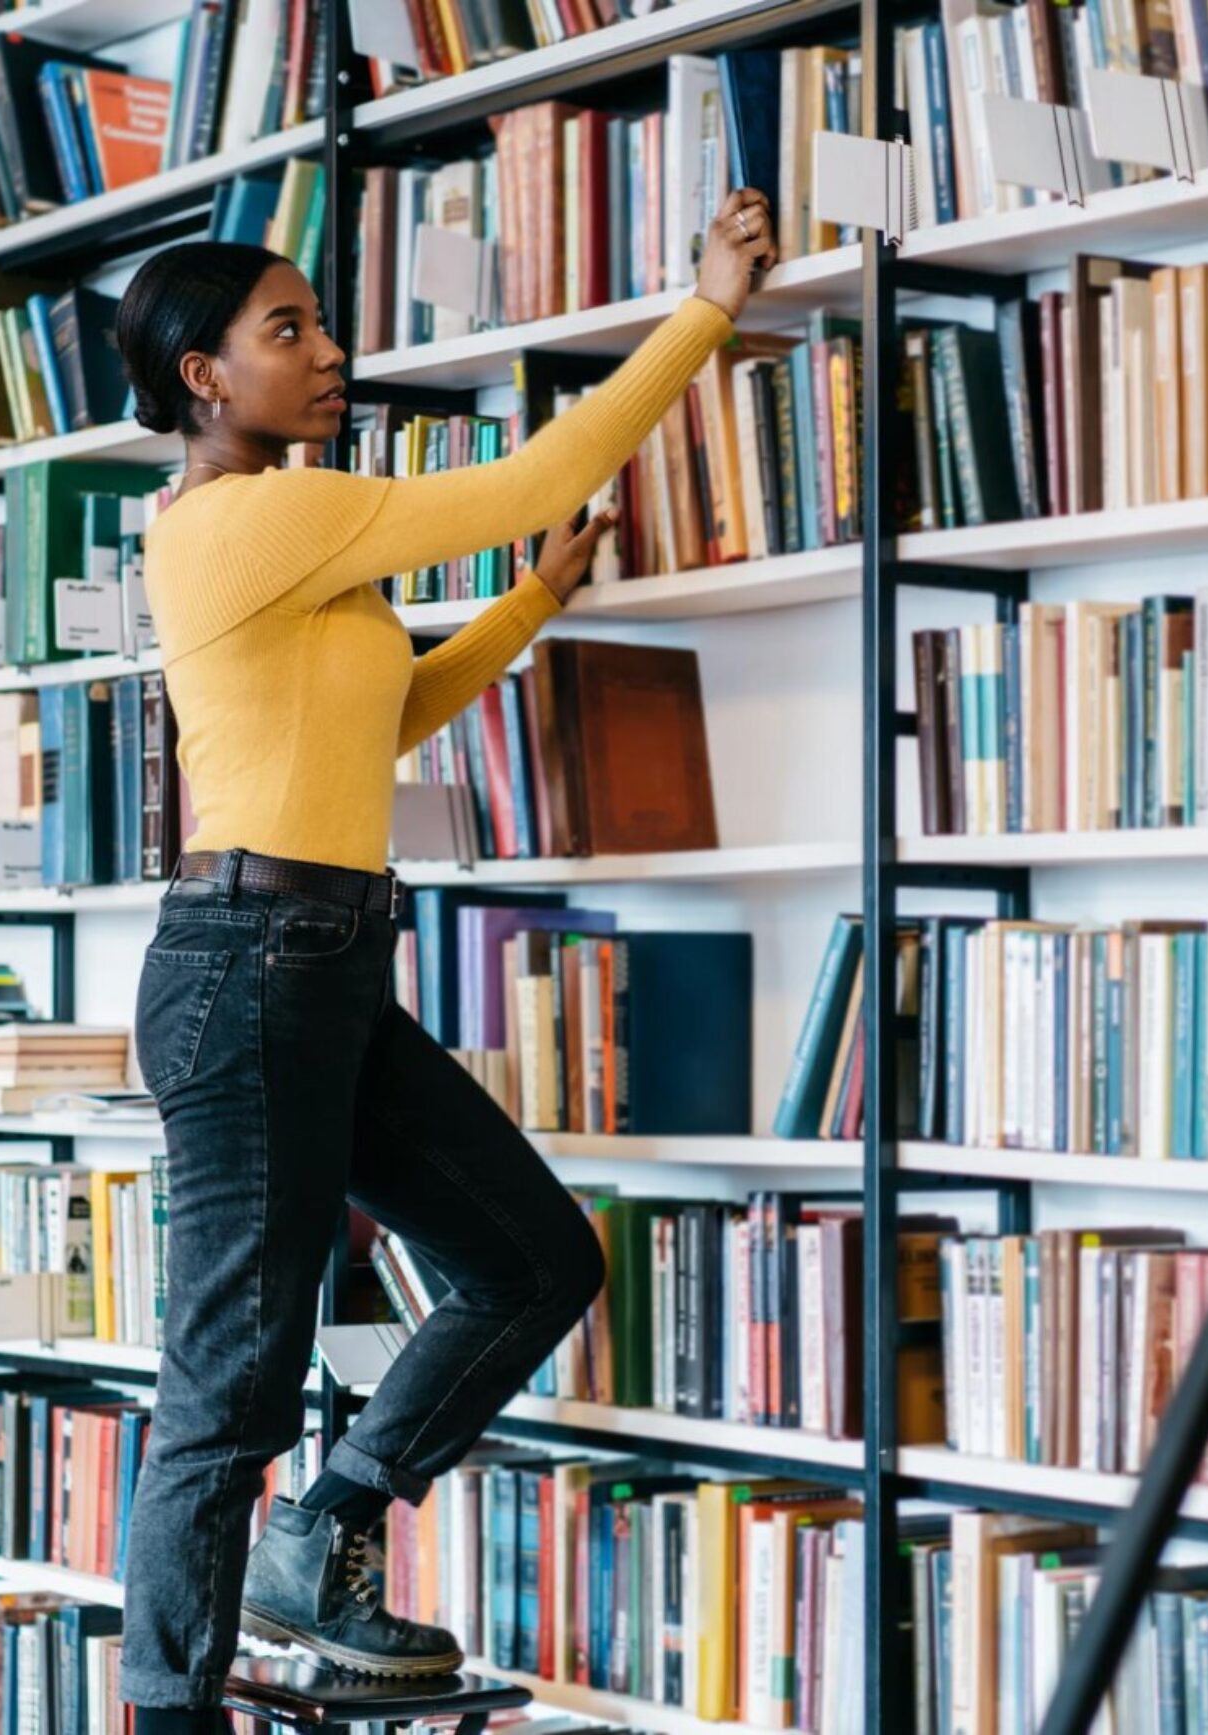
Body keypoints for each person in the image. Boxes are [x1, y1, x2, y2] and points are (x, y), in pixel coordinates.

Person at [107, 186, 780, 1730]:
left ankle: (326, 1524)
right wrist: (707, 308)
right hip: (250, 966)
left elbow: (387, 722)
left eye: (324, 323)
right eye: (291, 329)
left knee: (537, 1260)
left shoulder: (299, 539)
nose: (330, 352)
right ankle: (167, 1710)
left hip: (321, 962)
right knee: (232, 1382)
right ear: (204, 377)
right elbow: (547, 464)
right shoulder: (255, 515)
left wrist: (530, 604)